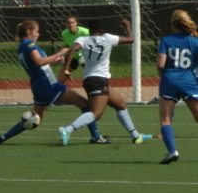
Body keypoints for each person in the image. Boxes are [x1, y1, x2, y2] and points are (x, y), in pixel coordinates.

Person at [0, 20, 108, 144]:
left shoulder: (22, 46)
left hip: (38, 86)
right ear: (29, 32)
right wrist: (59, 53)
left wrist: (54, 61)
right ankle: (95, 136)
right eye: (36, 31)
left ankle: (3, 137)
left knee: (34, 119)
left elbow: (39, 64)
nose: (38, 34)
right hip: (49, 85)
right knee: (85, 105)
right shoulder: (29, 44)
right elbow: (39, 62)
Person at [56, 19, 152, 146]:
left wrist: (67, 69)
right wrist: (128, 27)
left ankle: (136, 136)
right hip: (98, 81)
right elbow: (131, 39)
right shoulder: (107, 38)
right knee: (96, 114)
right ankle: (67, 130)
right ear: (101, 31)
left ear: (89, 31)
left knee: (120, 105)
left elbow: (73, 49)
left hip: (92, 80)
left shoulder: (83, 39)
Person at [156, 9, 198, 164]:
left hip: (169, 81)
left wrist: (164, 76)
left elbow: (160, 64)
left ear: (173, 24)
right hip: (189, 82)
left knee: (165, 119)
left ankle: (172, 151)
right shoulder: (195, 41)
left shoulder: (166, 40)